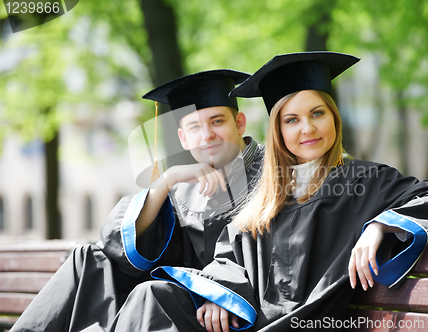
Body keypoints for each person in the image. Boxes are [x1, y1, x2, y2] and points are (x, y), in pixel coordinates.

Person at [106, 52, 428, 332]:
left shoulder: (363, 180)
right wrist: (220, 296)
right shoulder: (266, 192)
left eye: (318, 113)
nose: (308, 129)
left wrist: (378, 227)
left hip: (305, 322)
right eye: (291, 120)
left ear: (334, 118)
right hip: (248, 324)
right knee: (150, 297)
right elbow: (229, 255)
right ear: (277, 129)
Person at [10, 70, 265, 332]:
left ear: (240, 123)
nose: (207, 135)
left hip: (226, 312)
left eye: (217, 121)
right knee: (86, 258)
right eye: (195, 127)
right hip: (178, 304)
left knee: (150, 294)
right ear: (183, 139)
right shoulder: (184, 186)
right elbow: (118, 246)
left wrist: (220, 293)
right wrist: (166, 181)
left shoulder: (271, 173)